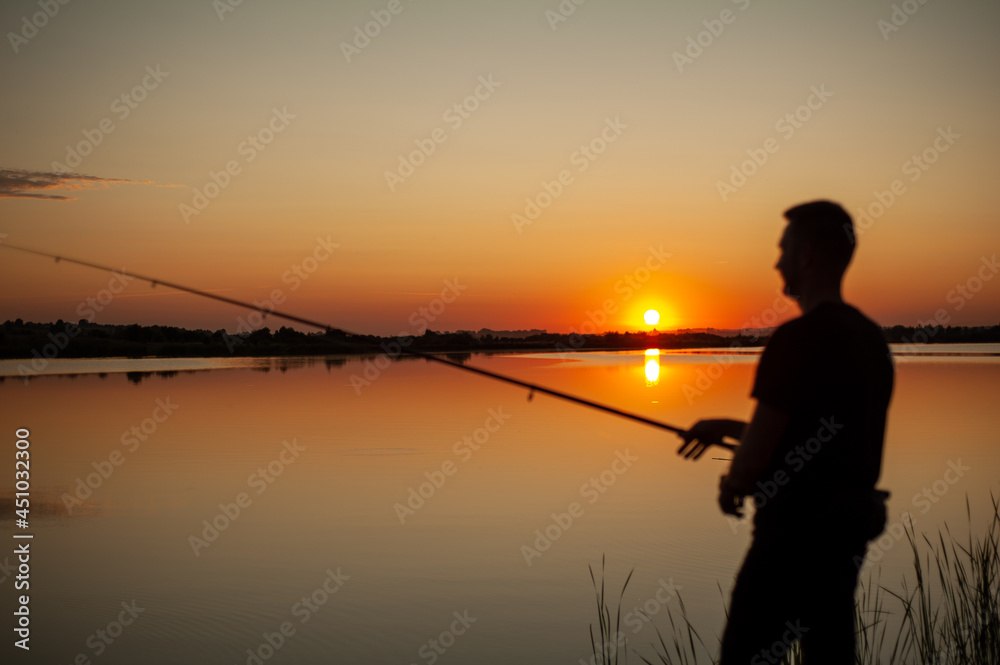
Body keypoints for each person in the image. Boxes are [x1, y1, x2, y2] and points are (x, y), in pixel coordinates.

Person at [677, 200, 894, 664]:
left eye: (784, 249)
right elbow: (818, 438)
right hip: (845, 535)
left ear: (809, 254)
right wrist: (727, 428)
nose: (776, 261)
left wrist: (733, 483)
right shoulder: (871, 338)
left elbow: (759, 454)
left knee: (745, 657)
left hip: (791, 539)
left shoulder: (796, 338)